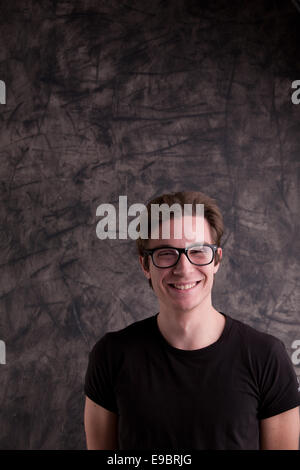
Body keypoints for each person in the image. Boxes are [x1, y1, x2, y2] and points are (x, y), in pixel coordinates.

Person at [84, 191, 300, 450]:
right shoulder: (111, 355)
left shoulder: (266, 357)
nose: (184, 268)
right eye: (166, 253)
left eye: (197, 251)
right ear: (145, 264)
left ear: (216, 259)